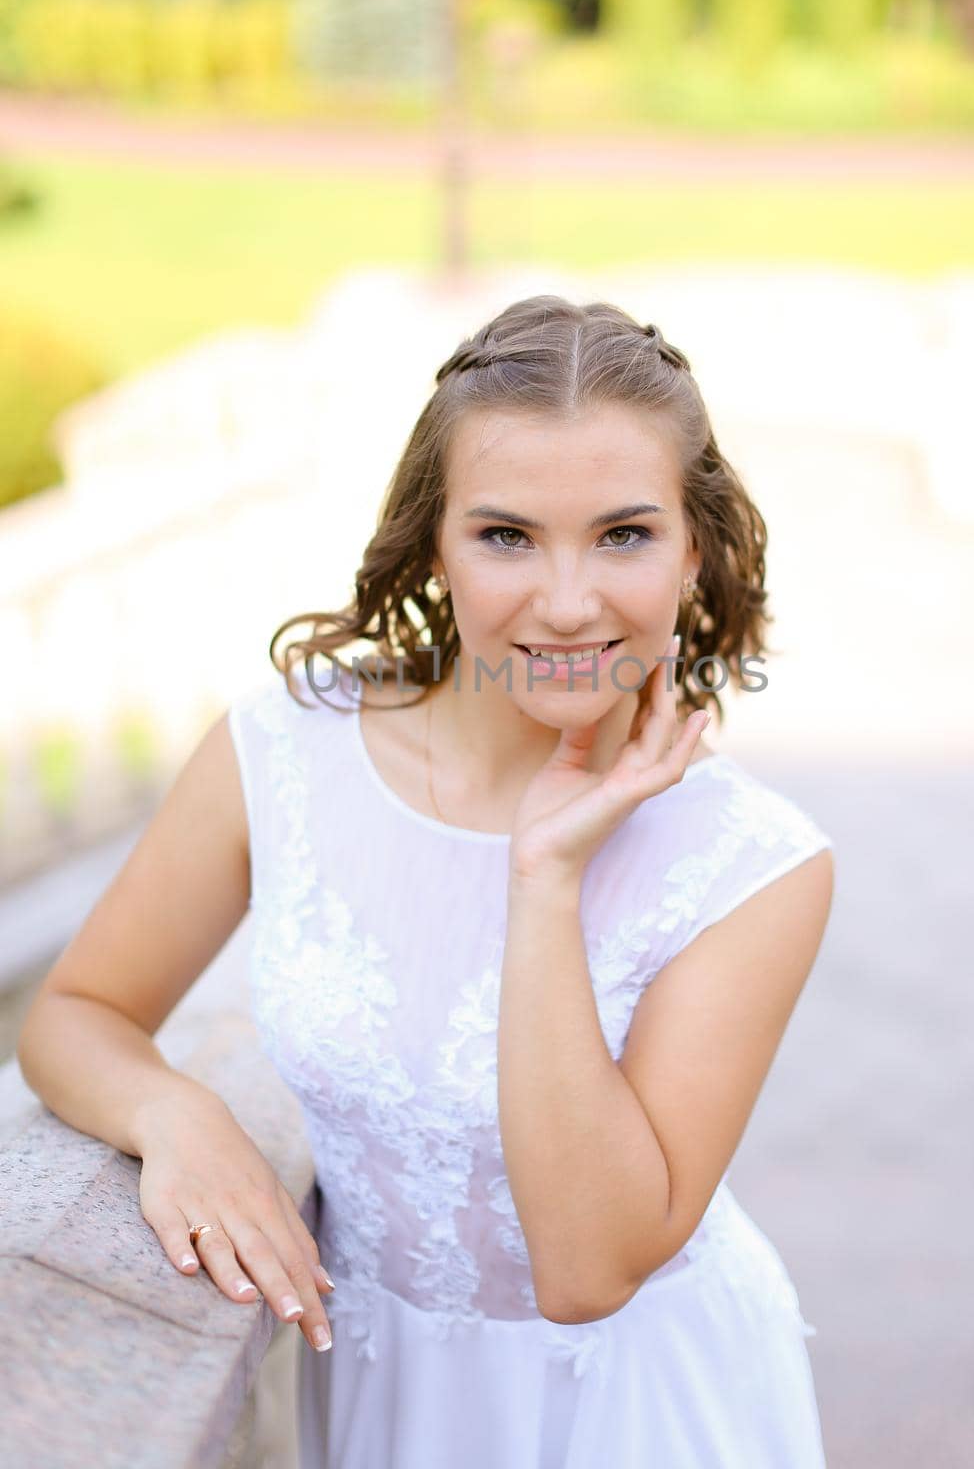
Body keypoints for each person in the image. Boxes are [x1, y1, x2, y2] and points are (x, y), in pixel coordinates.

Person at [18, 294, 835, 1468]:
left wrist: (544, 875)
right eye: (505, 535)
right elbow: (77, 1012)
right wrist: (172, 1113)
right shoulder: (284, 752)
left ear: (693, 546)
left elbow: (588, 1264)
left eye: (622, 534)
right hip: (383, 1394)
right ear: (434, 542)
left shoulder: (755, 866)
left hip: (646, 1407)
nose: (565, 600)